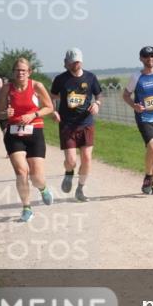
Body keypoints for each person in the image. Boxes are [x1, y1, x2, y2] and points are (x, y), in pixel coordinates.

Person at [0, 57, 55, 222]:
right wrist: (4, 114)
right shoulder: (7, 88)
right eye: (17, 70)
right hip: (14, 134)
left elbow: (49, 107)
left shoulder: (37, 86)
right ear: (13, 72)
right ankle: (27, 208)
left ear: (29, 72)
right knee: (21, 171)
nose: (20, 73)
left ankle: (43, 189)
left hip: (35, 131)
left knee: (36, 177)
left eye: (23, 70)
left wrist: (33, 114)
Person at [50, 48, 103, 202]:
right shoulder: (60, 79)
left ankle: (80, 188)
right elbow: (52, 96)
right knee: (71, 161)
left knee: (87, 158)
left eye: (78, 61)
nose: (76, 64)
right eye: (73, 62)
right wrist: (54, 111)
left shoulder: (91, 77)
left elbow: (98, 93)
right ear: (66, 63)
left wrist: (97, 103)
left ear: (81, 61)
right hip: (67, 124)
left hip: (86, 122)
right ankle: (68, 173)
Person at [122, 45, 153, 195]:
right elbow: (125, 95)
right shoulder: (136, 77)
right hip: (144, 117)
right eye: (147, 56)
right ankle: (148, 176)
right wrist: (134, 106)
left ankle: (151, 182)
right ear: (141, 59)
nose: (150, 59)